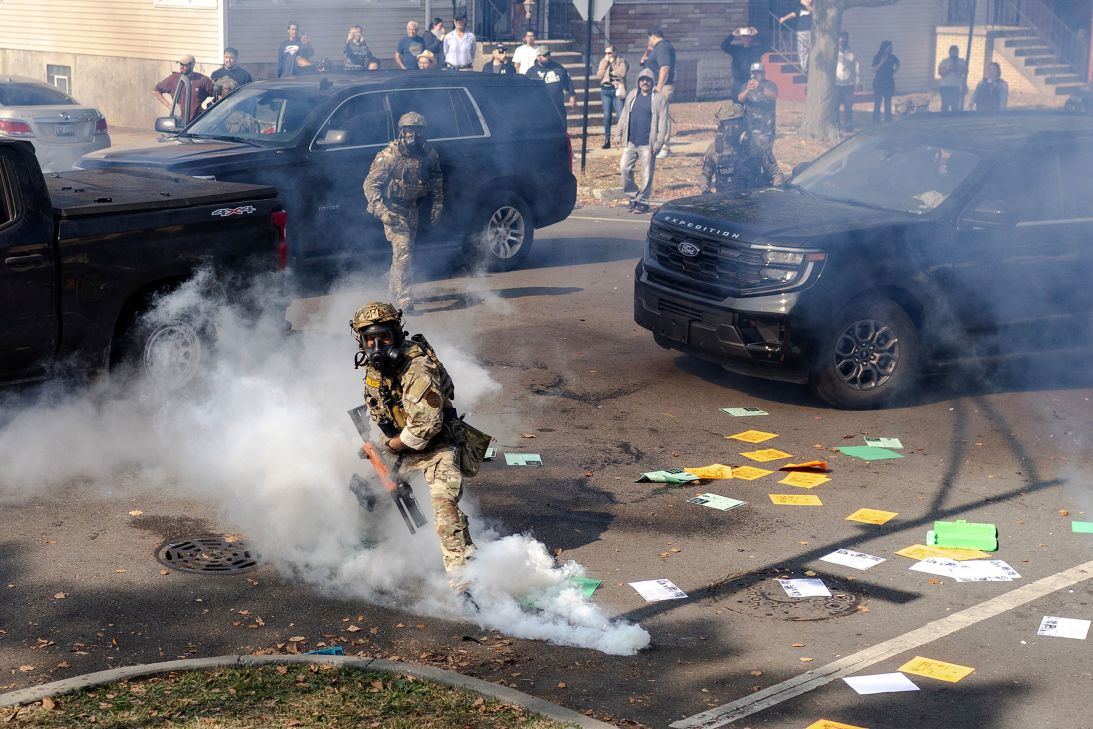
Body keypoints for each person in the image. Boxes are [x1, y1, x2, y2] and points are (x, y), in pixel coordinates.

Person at [349, 302, 477, 596]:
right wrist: (377, 449)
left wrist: (388, 446)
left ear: (397, 334)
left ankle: (465, 585)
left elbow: (425, 426)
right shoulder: (373, 368)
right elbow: (381, 409)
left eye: (384, 338)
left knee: (445, 512)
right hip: (403, 447)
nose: (377, 346)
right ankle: (389, 547)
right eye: (370, 340)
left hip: (438, 447)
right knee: (374, 493)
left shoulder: (418, 368)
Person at [363, 112, 443, 312]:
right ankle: (405, 299)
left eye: (417, 131)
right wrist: (381, 211)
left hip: (412, 208)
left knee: (402, 255)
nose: (412, 136)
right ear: (401, 131)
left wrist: (437, 204)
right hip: (393, 209)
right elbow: (370, 186)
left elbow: (436, 178)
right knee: (404, 250)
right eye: (408, 130)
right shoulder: (389, 156)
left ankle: (391, 295)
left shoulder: (428, 154)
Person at [615, 68, 669, 214]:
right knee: (624, 169)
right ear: (638, 81)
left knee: (646, 174)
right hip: (631, 141)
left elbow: (663, 123)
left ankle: (643, 202)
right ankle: (633, 198)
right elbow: (624, 116)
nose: (645, 82)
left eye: (648, 80)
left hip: (648, 144)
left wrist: (658, 143)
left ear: (652, 82)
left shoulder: (658, 98)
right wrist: (618, 135)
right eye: (642, 79)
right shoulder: (632, 95)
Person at [701, 101, 768, 195]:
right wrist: (705, 190)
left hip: (753, 200)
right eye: (727, 123)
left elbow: (776, 173)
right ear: (721, 125)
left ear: (743, 123)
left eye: (735, 123)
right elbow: (705, 175)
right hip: (725, 202)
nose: (731, 128)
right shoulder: (715, 148)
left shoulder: (756, 144)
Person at [737, 61, 784, 184]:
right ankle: (756, 178)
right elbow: (740, 99)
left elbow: (774, 96)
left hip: (766, 128)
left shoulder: (770, 85)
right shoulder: (746, 85)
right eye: (755, 73)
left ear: (763, 73)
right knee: (752, 154)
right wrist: (748, 90)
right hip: (750, 128)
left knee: (766, 153)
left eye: (759, 72)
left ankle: (772, 176)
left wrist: (760, 87)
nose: (757, 75)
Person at [640, 27, 676, 158]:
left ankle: (665, 147)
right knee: (656, 117)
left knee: (663, 117)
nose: (649, 40)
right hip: (655, 86)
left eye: (649, 38)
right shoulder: (657, 48)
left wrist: (659, 86)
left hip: (663, 87)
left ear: (653, 37)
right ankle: (657, 145)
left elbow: (665, 67)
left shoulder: (662, 47)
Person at [153, 54, 215, 123]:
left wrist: (210, 107)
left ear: (192, 65)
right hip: (178, 123)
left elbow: (217, 94)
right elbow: (156, 91)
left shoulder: (202, 80)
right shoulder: (173, 78)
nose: (181, 67)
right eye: (180, 64)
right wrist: (169, 105)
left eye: (184, 65)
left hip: (196, 123)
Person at [524, 46, 575, 115]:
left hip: (558, 106)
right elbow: (526, 90)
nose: (547, 57)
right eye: (544, 55)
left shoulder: (558, 67)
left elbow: (568, 82)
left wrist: (571, 95)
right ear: (538, 57)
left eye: (548, 54)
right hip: (540, 108)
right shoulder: (531, 72)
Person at [597, 44, 629, 149]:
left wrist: (613, 64)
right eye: (606, 53)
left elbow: (622, 74)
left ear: (615, 52)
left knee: (620, 116)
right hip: (606, 90)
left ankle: (622, 138)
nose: (608, 55)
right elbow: (599, 76)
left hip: (617, 90)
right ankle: (607, 140)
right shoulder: (603, 61)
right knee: (607, 117)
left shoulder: (621, 61)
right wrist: (606, 62)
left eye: (609, 53)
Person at [721, 26, 765, 98]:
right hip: (738, 80)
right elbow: (723, 46)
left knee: (751, 101)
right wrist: (732, 35)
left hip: (752, 80)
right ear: (741, 38)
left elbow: (767, 45)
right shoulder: (736, 49)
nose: (746, 39)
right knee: (736, 101)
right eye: (744, 37)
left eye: (749, 37)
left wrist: (757, 34)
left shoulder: (757, 49)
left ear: (752, 38)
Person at [778, 0, 813, 76]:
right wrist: (784, 18)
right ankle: (804, 68)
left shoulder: (814, 8)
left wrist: (805, 5)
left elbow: (813, 11)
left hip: (810, 31)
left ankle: (807, 68)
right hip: (801, 31)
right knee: (802, 49)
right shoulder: (799, 8)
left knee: (809, 49)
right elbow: (793, 14)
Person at [834, 32, 860, 134]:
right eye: (842, 39)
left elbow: (856, 67)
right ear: (838, 39)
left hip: (849, 85)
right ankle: (836, 127)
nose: (844, 41)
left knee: (848, 107)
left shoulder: (851, 53)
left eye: (846, 39)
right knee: (835, 107)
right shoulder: (834, 52)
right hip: (837, 84)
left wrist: (857, 80)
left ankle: (848, 127)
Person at [871, 40, 900, 124]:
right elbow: (874, 69)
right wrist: (882, 62)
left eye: (891, 47)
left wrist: (894, 71)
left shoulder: (893, 57)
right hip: (879, 82)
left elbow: (898, 64)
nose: (890, 48)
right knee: (878, 102)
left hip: (889, 82)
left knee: (888, 101)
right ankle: (876, 121)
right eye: (888, 47)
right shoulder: (878, 56)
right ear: (884, 47)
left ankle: (888, 119)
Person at [937, 45, 967, 112]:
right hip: (945, 86)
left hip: (956, 87)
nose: (954, 53)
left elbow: (965, 71)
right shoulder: (944, 61)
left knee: (955, 105)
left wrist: (958, 67)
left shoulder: (962, 61)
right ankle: (944, 120)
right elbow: (939, 72)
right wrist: (949, 69)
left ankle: (954, 121)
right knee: (945, 105)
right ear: (949, 52)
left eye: (956, 52)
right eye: (952, 52)